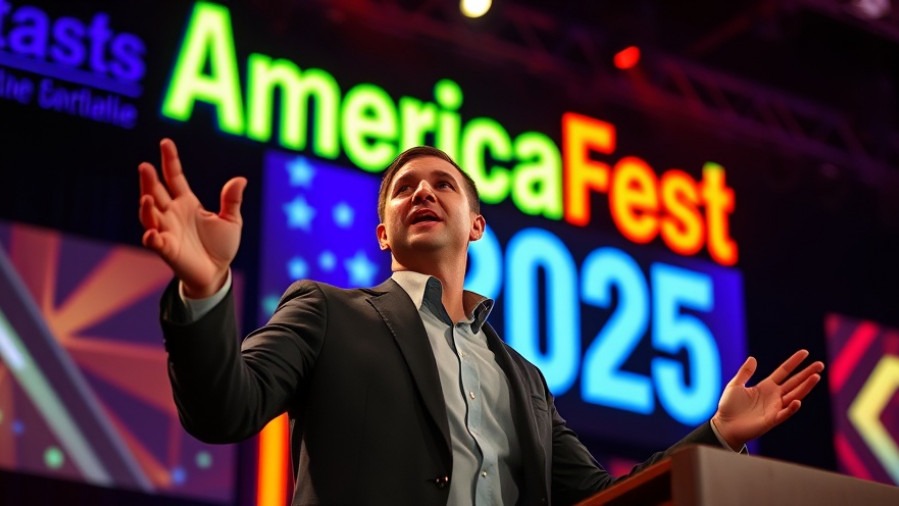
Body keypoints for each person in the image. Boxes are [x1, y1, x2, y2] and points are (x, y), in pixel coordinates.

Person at [138, 138, 825, 505]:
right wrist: (205, 288)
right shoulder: (324, 311)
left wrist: (716, 435)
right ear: (383, 231)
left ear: (476, 225)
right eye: (404, 189)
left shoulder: (522, 377)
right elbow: (222, 411)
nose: (422, 192)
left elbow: (604, 501)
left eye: (442, 184)